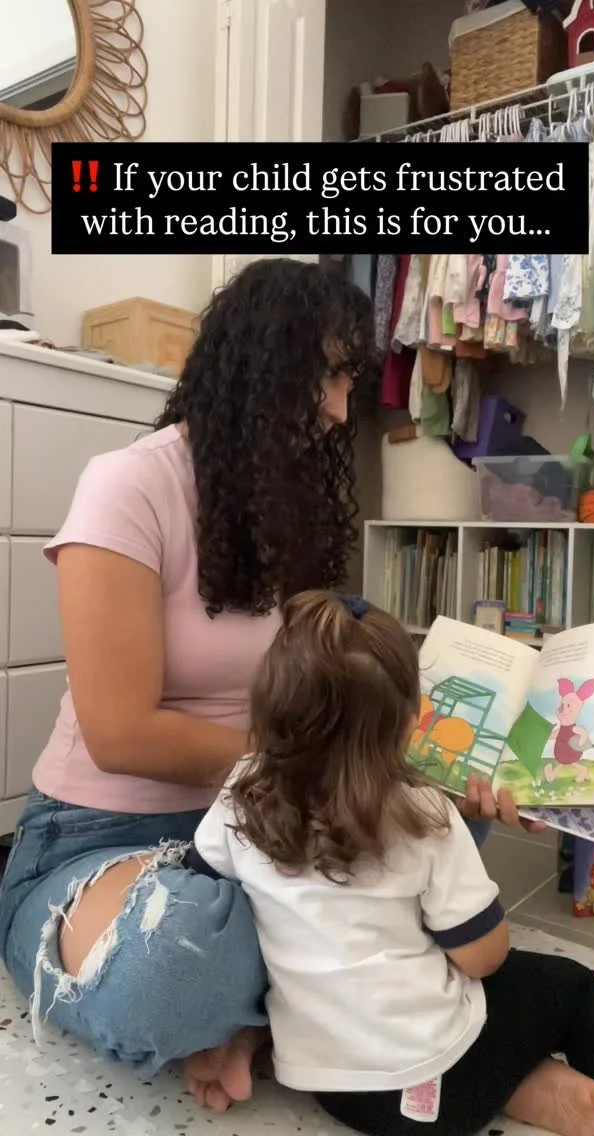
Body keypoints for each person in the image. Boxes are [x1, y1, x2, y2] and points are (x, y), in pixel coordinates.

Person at [0, 258, 538, 1113]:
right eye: (331, 377)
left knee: (439, 822)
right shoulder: (128, 484)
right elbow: (120, 733)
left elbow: (324, 694)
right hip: (107, 837)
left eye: (349, 381)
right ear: (261, 366)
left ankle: (268, 1020)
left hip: (268, 821)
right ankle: (346, 1012)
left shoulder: (289, 507)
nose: (341, 410)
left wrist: (420, 762)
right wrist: (329, 765)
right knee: (174, 961)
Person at [195, 590, 594, 1136]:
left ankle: (524, 1086)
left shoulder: (241, 790)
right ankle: (515, 1082)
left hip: (330, 1086)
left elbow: (200, 887)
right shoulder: (424, 812)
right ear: (411, 722)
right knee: (571, 988)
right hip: (435, 1079)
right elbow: (483, 959)